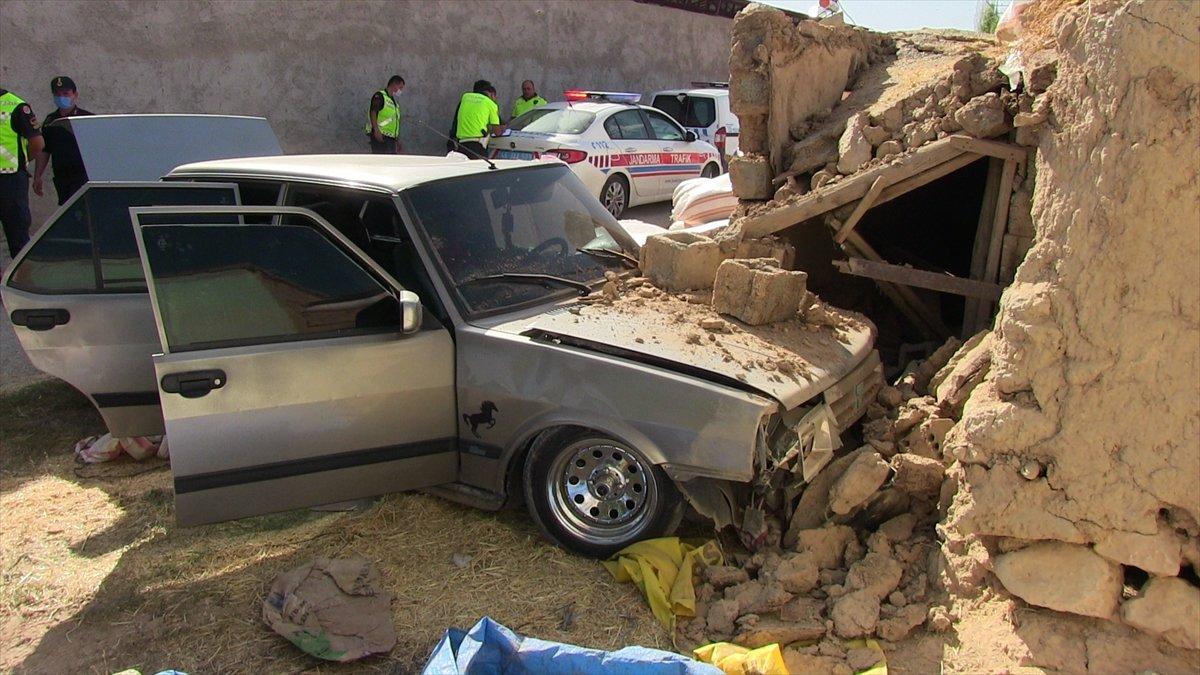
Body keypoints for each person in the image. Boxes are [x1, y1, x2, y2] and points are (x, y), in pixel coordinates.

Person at [33, 76, 93, 205]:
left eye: (66, 93)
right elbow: (45, 150)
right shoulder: (50, 121)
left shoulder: (87, 119)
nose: (61, 97)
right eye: (57, 94)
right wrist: (38, 175)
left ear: (75, 94)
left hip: (84, 177)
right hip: (62, 178)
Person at [0, 86, 44, 258]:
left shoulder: (16, 106)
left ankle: (23, 281)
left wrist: (22, 162)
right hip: (11, 180)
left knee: (17, 238)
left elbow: (37, 144)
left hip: (10, 182)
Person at [453, 80, 504, 159]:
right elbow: (497, 132)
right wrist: (502, 129)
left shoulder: (465, 97)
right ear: (492, 95)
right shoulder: (491, 104)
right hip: (477, 146)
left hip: (461, 144)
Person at [364, 75, 404, 154]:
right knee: (382, 162)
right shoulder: (380, 96)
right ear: (394, 84)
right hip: (381, 136)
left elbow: (394, 122)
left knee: (391, 163)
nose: (401, 91)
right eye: (400, 87)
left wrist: (397, 140)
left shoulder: (394, 103)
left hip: (391, 139)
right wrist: (376, 130)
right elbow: (373, 111)